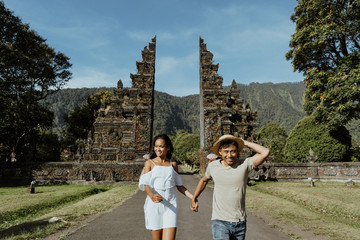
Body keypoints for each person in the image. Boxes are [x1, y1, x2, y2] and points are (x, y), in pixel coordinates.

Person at [191, 134, 270, 240]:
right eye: (226, 151)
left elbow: (265, 152)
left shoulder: (244, 164)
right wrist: (194, 198)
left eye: (233, 151)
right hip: (220, 221)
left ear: (237, 151)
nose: (230, 155)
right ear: (220, 152)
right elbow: (204, 180)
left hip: (240, 223)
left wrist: (244, 142)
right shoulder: (213, 166)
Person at [139, 134, 194, 240]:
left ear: (168, 148)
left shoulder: (173, 164)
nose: (157, 149)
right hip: (155, 205)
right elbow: (145, 184)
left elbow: (180, 186)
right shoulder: (149, 163)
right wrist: (151, 196)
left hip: (171, 205)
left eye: (161, 146)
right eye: (156, 146)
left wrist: (193, 198)